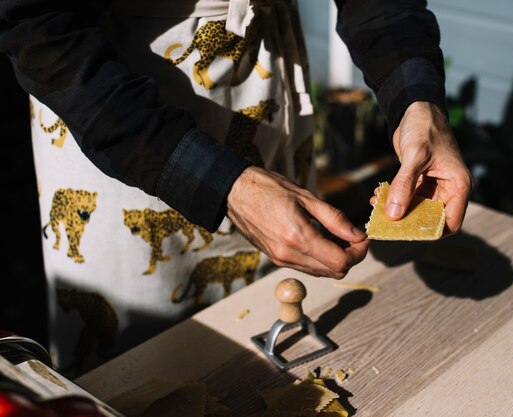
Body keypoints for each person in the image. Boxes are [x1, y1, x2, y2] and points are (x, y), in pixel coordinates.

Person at [0, 0, 472, 375]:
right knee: (140, 373)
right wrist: (225, 186)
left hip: (264, 89)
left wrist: (418, 103)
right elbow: (39, 30)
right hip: (124, 121)